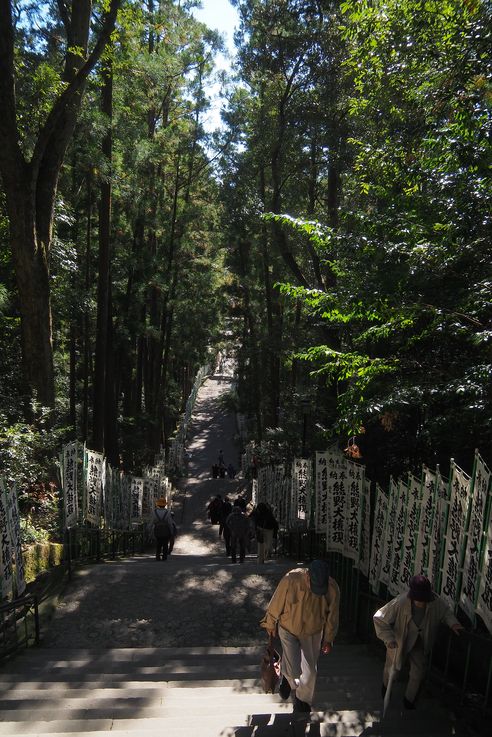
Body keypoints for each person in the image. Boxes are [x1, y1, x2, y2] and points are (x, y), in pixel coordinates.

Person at [373, 574, 464, 709]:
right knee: (392, 669)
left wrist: (453, 624)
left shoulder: (435, 602)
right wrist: (389, 638)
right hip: (400, 640)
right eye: (418, 599)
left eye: (424, 599)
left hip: (421, 642)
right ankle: (386, 690)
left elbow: (446, 613)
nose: (421, 602)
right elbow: (379, 617)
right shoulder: (401, 601)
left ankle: (409, 701)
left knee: (418, 671)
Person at [260, 560, 340, 713]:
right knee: (292, 670)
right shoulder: (291, 579)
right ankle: (287, 678)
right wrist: (270, 623)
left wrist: (328, 639)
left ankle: (302, 702)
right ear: (307, 576)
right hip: (288, 628)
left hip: (313, 631)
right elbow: (276, 603)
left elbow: (333, 617)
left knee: (310, 673)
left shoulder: (332, 588)